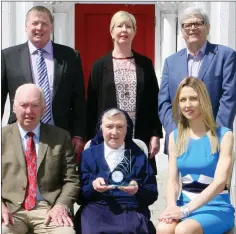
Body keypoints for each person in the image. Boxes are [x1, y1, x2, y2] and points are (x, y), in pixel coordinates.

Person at [1, 5, 86, 153]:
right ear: (26, 26)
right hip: (20, 134)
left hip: (59, 135)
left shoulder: (70, 56)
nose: (39, 28)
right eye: (35, 23)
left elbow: (78, 98)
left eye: (44, 24)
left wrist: (79, 134)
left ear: (51, 27)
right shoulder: (8, 56)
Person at [86, 10, 163, 173]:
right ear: (111, 32)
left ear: (134, 32)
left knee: (138, 182)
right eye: (119, 26)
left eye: (129, 26)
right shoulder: (99, 66)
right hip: (109, 135)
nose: (124, 30)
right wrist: (91, 141)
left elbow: (154, 101)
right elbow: (92, 105)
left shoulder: (145, 64)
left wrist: (155, 134)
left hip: (139, 134)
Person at [156, 77, 235, 234]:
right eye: (182, 100)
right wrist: (172, 206)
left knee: (184, 230)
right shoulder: (174, 137)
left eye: (193, 99)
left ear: (203, 100)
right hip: (183, 203)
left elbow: (220, 182)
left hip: (216, 207)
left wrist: (185, 210)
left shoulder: (224, 136)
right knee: (163, 229)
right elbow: (172, 181)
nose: (187, 105)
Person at [1, 84, 79, 234]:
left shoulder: (61, 137)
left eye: (35, 105)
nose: (29, 111)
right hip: (11, 209)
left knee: (66, 233)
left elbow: (71, 180)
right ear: (14, 107)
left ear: (43, 109)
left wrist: (60, 205)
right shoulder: (2, 138)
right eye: (23, 105)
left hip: (48, 209)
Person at [158, 7, 236, 154]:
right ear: (182, 31)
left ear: (207, 27)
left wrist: (215, 134)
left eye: (198, 23)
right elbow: (164, 102)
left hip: (213, 141)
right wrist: (175, 132)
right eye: (187, 25)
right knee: (176, 178)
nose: (192, 28)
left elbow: (229, 98)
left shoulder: (225, 56)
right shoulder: (171, 62)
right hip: (180, 142)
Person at [76, 108, 158, 234]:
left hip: (130, 210)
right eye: (109, 126)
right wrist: (93, 185)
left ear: (127, 129)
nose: (114, 132)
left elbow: (152, 194)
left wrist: (138, 190)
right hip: (96, 209)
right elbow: (79, 196)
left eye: (120, 126)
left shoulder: (138, 156)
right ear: (101, 128)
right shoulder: (89, 155)